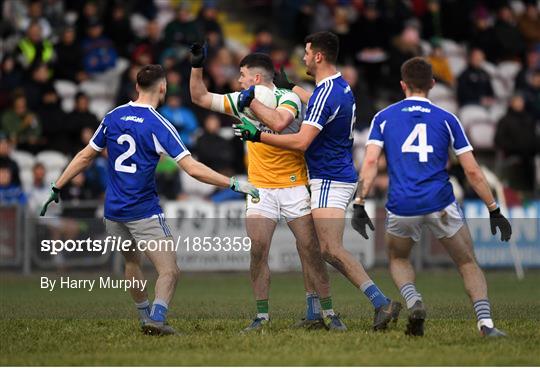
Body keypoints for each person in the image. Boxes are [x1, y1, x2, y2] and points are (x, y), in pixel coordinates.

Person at [40, 64, 259, 336]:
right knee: (169, 270)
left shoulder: (113, 116)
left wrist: (57, 186)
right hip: (142, 212)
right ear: (163, 87)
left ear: (136, 87)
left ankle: (145, 317)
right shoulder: (158, 124)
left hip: (113, 212)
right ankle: (156, 318)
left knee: (132, 264)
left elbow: (86, 155)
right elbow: (192, 168)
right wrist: (233, 182)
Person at [235, 31, 402, 331]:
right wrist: (293, 88)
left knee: (329, 249)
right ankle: (314, 313)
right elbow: (319, 104)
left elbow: (300, 142)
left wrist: (258, 135)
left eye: (307, 52)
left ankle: (382, 302)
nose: (303, 57)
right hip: (335, 174)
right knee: (310, 247)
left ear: (319, 56)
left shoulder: (327, 92)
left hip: (329, 178)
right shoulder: (339, 86)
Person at [354, 57, 512, 337]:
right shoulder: (448, 118)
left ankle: (414, 301)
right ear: (433, 85)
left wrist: (359, 203)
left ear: (403, 84)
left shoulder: (384, 117)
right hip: (440, 202)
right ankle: (486, 324)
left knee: (398, 259)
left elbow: (369, 164)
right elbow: (473, 171)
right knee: (467, 262)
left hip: (402, 204)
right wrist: (494, 209)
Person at [190, 46, 340, 331]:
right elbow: (199, 96)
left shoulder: (289, 98)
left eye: (243, 75)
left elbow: (280, 122)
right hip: (260, 187)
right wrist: (197, 67)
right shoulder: (241, 100)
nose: (239, 81)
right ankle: (261, 316)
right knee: (258, 249)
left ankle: (327, 313)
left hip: (294, 185)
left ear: (257, 78)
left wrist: (251, 110)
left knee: (309, 249)